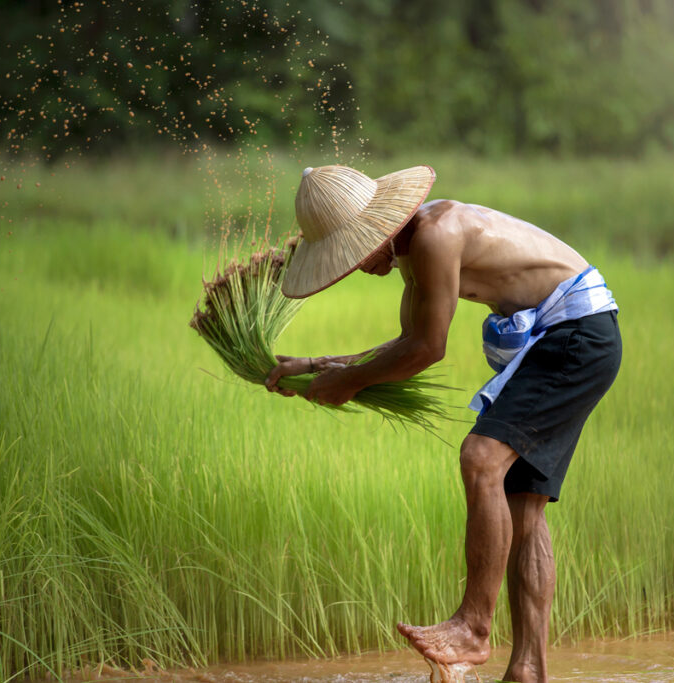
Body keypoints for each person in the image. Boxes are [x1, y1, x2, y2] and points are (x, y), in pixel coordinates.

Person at [265, 164, 621, 683]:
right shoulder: (415, 252)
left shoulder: (436, 235)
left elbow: (430, 349)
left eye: (354, 253)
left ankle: (474, 628)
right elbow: (407, 342)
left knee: (480, 458)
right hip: (570, 338)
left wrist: (351, 383)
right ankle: (528, 671)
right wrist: (324, 367)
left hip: (576, 337)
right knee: (524, 509)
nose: (354, 268)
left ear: (380, 228)